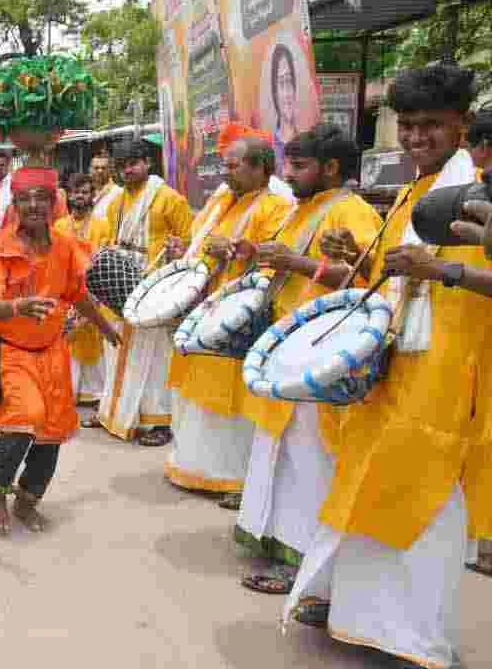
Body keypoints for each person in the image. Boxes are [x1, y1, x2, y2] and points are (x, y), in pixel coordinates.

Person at [282, 65, 492, 669]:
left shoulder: (476, 190)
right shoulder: (413, 190)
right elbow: (396, 280)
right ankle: (356, 615)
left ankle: (418, 644)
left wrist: (443, 271)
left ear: (463, 125)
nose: (417, 137)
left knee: (427, 509)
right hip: (395, 372)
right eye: (408, 125)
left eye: (432, 125)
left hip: (448, 381)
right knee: (367, 488)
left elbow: (449, 277)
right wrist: (362, 259)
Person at [232, 124, 381, 595]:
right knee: (283, 451)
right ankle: (275, 540)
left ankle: (305, 564)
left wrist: (294, 263)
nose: (289, 174)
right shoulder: (306, 209)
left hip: (318, 351)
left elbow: (360, 280)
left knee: (309, 459)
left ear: (331, 168)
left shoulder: (349, 210)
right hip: (289, 346)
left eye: (299, 166)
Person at [0, 166, 120, 534]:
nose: (34, 205)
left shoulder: (64, 248)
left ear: (53, 203)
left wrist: (106, 327)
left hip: (52, 352)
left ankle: (28, 499)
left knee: (53, 431)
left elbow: (75, 294)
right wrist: (18, 306)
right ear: (14, 204)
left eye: (41, 198)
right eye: (25, 198)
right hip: (12, 352)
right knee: (26, 417)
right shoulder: (0, 250)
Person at [163, 125, 292, 508]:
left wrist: (238, 251)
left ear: (261, 168)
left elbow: (276, 257)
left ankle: (233, 477)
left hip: (238, 315)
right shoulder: (223, 202)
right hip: (204, 307)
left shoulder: (276, 206)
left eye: (233, 166)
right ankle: (191, 465)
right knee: (195, 391)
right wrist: (186, 248)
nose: (225, 172)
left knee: (230, 401)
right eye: (224, 164)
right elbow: (204, 246)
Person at [97, 139, 193, 446]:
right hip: (121, 283)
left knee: (155, 358)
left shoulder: (169, 199)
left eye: (133, 163)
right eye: (121, 165)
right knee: (117, 351)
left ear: (147, 163)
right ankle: (117, 413)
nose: (127, 170)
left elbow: (189, 244)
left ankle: (160, 421)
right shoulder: (115, 202)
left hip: (154, 287)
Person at [54, 173, 108, 407]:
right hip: (65, 293)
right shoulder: (59, 225)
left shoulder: (101, 225)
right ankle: (71, 390)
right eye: (76, 192)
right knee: (67, 340)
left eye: (85, 192)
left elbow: (103, 259)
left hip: (92, 290)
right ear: (69, 194)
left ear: (92, 196)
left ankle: (96, 392)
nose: (79, 197)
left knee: (92, 338)